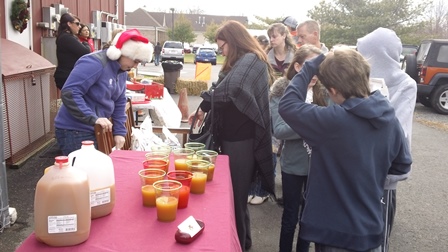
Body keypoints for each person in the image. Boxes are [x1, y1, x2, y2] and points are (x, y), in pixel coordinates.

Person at [278, 49, 412, 251]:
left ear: (333, 90)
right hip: (369, 227)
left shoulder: (333, 121)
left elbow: (287, 105)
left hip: (334, 232)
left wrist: (309, 67)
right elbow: (401, 167)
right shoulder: (389, 117)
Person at [187, 20, 275, 251]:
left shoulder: (252, 60)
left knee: (236, 200)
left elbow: (232, 89)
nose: (221, 51)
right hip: (232, 140)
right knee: (233, 199)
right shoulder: (241, 61)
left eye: (222, 46)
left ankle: (240, 246)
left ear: (234, 41)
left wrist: (205, 105)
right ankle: (243, 243)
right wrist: (205, 106)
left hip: (242, 142)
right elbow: (221, 88)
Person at [357, 27, 417, 252]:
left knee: (377, 239)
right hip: (356, 175)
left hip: (383, 176)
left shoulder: (405, 84)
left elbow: (399, 133)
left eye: (364, 53)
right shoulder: (359, 80)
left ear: (376, 54)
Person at [54, 29, 153, 155]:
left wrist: (119, 132)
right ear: (123, 53)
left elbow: (119, 101)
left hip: (95, 128)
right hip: (75, 130)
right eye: (135, 61)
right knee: (85, 173)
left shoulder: (121, 70)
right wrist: (93, 118)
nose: (135, 66)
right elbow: (70, 93)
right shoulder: (94, 63)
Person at [272, 45, 327, 252]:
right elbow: (279, 130)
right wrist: (312, 122)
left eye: (317, 68)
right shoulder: (282, 91)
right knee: (290, 216)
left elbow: (332, 124)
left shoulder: (325, 91)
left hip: (319, 166)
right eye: (309, 67)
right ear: (297, 66)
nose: (314, 74)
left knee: (309, 218)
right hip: (293, 165)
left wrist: (309, 121)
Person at [53, 13, 91, 90]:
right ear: (69, 24)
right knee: (72, 100)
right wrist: (85, 43)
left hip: (67, 75)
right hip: (67, 76)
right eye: (77, 24)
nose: (79, 26)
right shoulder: (67, 38)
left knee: (71, 100)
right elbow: (86, 51)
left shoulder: (65, 36)